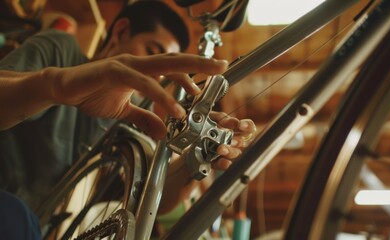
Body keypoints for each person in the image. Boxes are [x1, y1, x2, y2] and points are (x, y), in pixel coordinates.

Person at [0, 1, 256, 239]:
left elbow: (156, 198)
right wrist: (55, 86)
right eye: (151, 54)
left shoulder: (129, 115)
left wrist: (197, 156)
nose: (156, 77)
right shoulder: (61, 51)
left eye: (163, 70)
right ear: (121, 32)